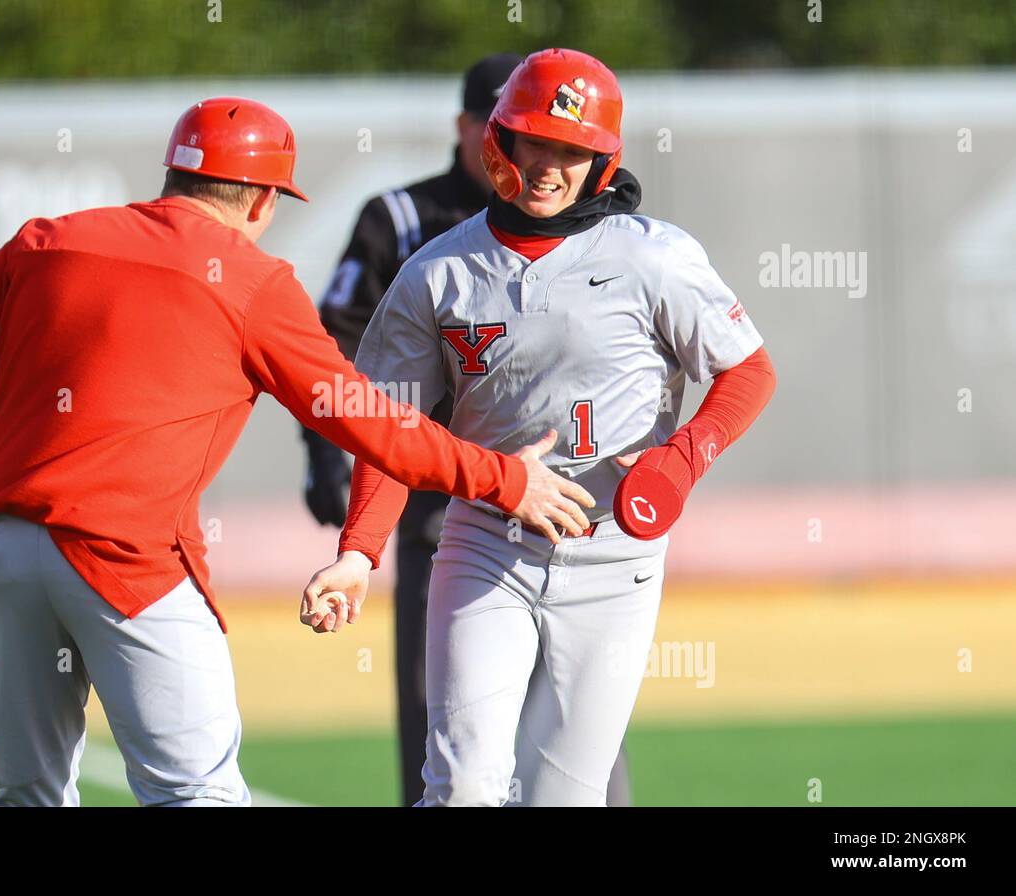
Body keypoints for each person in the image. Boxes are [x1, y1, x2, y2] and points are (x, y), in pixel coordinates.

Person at [0, 96, 593, 807]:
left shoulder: (48, 240)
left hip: (3, 552)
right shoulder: (251, 281)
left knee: (29, 794)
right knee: (196, 796)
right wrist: (506, 479)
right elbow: (373, 421)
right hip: (127, 563)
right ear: (264, 202)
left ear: (172, 175)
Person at [300, 50, 777, 806]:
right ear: (500, 143)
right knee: (459, 787)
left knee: (564, 795)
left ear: (601, 160)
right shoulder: (436, 270)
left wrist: (681, 462)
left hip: (616, 553)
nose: (551, 166)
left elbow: (748, 371)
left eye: (573, 150)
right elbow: (388, 423)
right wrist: (358, 553)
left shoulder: (654, 257)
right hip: (484, 540)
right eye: (536, 143)